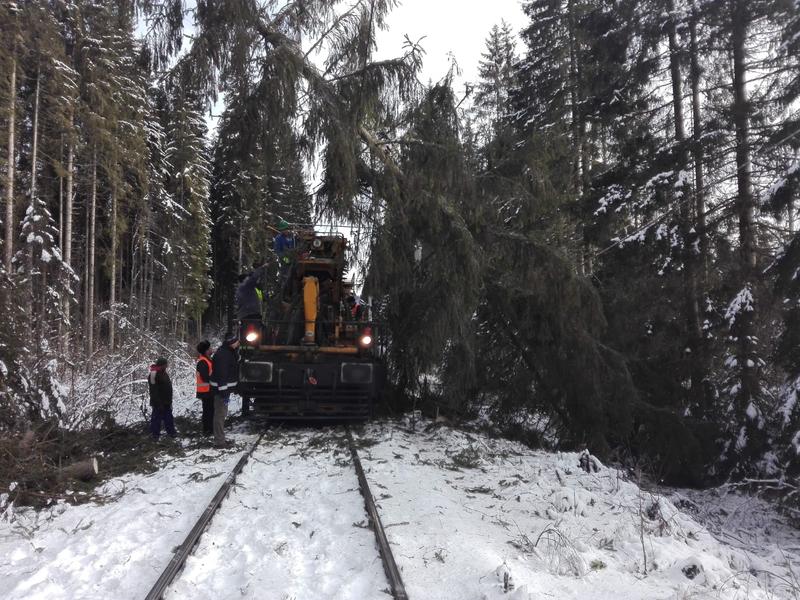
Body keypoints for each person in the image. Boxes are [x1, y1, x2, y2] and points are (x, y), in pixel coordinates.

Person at [210, 336, 239, 448]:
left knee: (221, 414)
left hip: (223, 389)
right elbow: (221, 375)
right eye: (236, 342)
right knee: (220, 415)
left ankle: (220, 439)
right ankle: (219, 442)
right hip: (221, 390)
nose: (238, 344)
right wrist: (224, 393)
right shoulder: (223, 355)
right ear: (231, 343)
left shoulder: (228, 352)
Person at [148, 356, 176, 440]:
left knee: (169, 418)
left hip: (167, 401)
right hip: (158, 402)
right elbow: (153, 390)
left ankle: (171, 433)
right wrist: (158, 402)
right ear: (161, 365)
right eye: (165, 365)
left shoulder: (164, 372)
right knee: (156, 419)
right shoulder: (154, 374)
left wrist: (169, 401)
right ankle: (155, 435)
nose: (167, 366)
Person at [195, 340, 214, 436]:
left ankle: (209, 429)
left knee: (210, 411)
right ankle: (207, 430)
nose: (211, 349)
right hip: (206, 391)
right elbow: (205, 377)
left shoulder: (207, 360)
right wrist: (215, 380)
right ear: (206, 350)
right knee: (208, 412)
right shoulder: (203, 362)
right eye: (210, 348)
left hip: (208, 391)